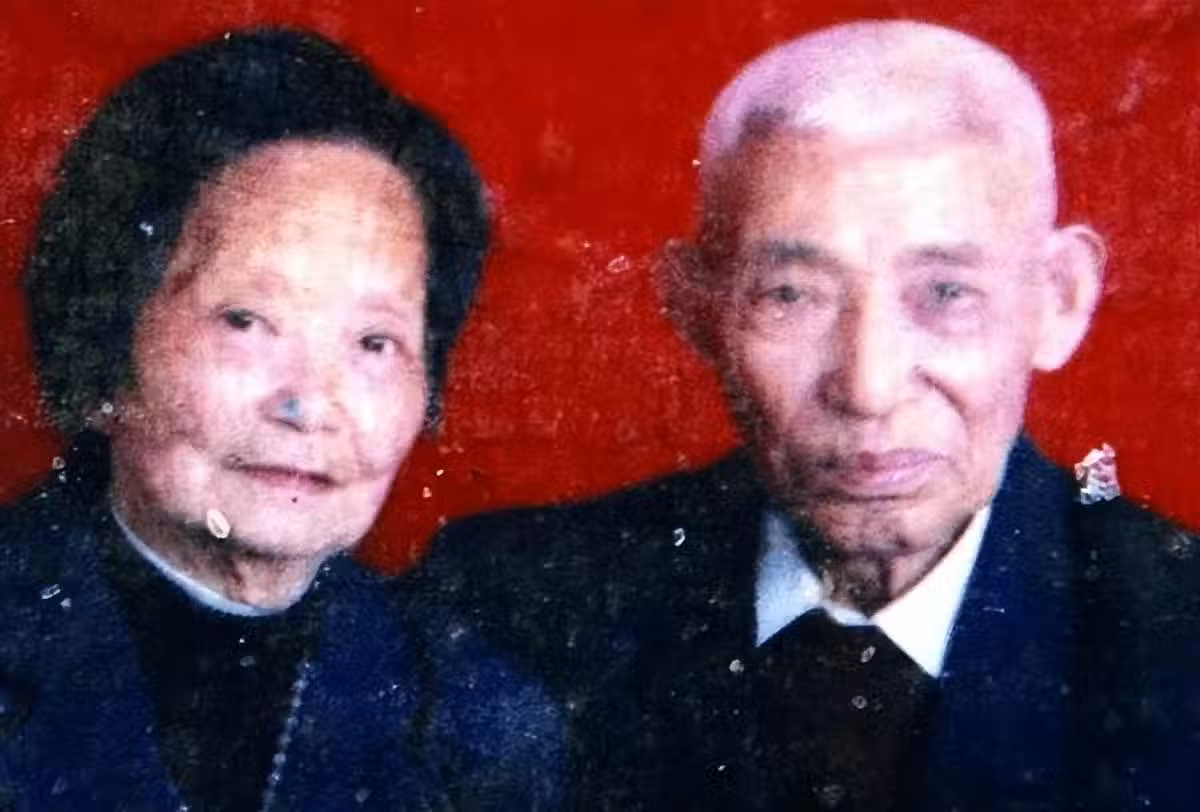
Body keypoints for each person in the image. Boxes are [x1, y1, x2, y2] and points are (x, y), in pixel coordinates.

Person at [420, 20, 1200, 810]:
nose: (868, 388)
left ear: (1059, 300)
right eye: (792, 295)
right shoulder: (511, 607)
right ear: (697, 308)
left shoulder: (1178, 639)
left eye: (946, 294)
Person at [0, 28, 562, 811]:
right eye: (247, 321)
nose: (310, 405)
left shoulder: (479, 722)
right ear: (104, 350)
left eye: (374, 343)